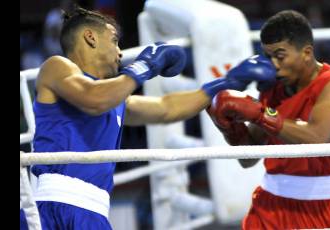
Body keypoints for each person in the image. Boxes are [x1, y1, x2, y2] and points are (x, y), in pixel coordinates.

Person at [25, 6, 276, 229]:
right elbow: (93, 99)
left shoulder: (116, 98)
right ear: (90, 37)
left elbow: (166, 108)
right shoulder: (58, 67)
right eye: (114, 40)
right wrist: (144, 67)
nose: (120, 52)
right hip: (52, 204)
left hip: (93, 210)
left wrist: (227, 82)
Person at [206, 10, 330, 229]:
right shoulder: (273, 88)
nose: (273, 65)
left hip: (325, 207)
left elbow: (317, 138)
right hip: (270, 206)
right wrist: (229, 127)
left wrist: (260, 114)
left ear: (306, 52)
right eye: (268, 57)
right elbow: (248, 158)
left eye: (280, 56)